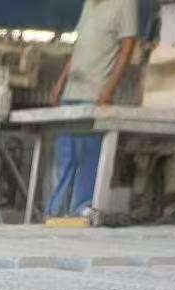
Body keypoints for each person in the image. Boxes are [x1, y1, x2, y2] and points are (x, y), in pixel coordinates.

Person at [46, 0, 139, 219]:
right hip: (70, 95)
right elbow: (79, 49)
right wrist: (60, 83)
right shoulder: (89, 4)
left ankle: (82, 211)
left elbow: (127, 49)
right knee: (65, 158)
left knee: (88, 158)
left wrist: (108, 91)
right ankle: (55, 213)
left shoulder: (125, 4)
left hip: (94, 96)